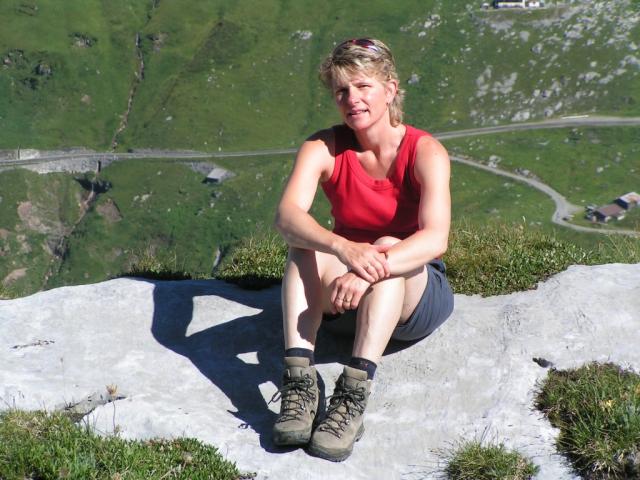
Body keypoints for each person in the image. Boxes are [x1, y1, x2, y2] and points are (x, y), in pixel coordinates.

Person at [271, 38, 454, 462]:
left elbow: (435, 239)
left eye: (363, 86)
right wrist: (344, 248)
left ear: (390, 90)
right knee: (303, 243)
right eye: (341, 90)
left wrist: (366, 265)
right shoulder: (323, 148)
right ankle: (299, 382)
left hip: (414, 296)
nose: (351, 99)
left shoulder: (425, 151)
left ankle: (353, 393)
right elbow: (286, 217)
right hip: (347, 298)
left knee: (387, 246)